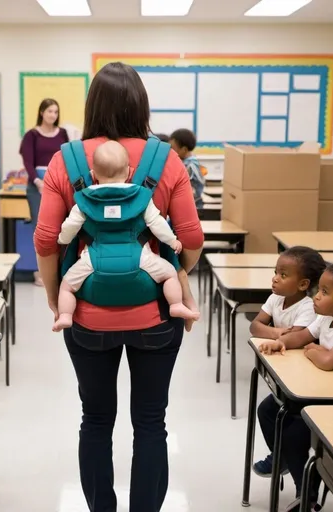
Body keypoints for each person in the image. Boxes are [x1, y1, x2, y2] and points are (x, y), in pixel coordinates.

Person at [34, 62, 203, 512]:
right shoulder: (165, 158)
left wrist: (57, 296)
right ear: (141, 105)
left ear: (92, 105)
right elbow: (191, 238)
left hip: (87, 317)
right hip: (155, 315)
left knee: (95, 420)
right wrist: (176, 274)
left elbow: (47, 239)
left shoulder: (65, 160)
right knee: (151, 422)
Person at [258, 262, 333, 512]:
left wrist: (314, 351)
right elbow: (302, 336)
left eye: (324, 292)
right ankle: (288, 461)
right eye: (318, 289)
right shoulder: (326, 318)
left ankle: (306, 493)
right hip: (326, 392)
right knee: (267, 410)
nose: (316, 296)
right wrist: (282, 342)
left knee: (294, 432)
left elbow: (329, 361)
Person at [54, 140, 200, 332]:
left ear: (93, 174)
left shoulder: (85, 199)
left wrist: (62, 240)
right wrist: (172, 241)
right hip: (140, 258)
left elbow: (70, 227)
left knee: (66, 286)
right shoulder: (140, 197)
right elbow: (157, 223)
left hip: (93, 261)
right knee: (169, 274)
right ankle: (175, 305)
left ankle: (65, 315)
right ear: (129, 172)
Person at [250, 247, 326, 479]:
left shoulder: (307, 307)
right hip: (288, 370)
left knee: (291, 429)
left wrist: (274, 333)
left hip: (304, 378)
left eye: (283, 275)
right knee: (265, 410)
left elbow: (297, 336)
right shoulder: (275, 298)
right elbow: (255, 326)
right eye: (276, 272)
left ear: (303, 285)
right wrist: (280, 333)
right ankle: (281, 456)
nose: (274, 278)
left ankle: (290, 464)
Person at [20, 98, 69, 286]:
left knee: (62, 228)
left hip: (58, 185)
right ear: (42, 112)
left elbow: (66, 159)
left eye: (56, 112)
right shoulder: (32, 135)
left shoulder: (63, 134)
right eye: (49, 111)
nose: (53, 115)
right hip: (36, 186)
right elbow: (28, 162)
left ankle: (59, 269)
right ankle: (40, 271)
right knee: (40, 229)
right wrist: (38, 181)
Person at [169, 129, 207, 208]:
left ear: (184, 150)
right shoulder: (190, 161)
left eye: (172, 148)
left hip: (194, 205)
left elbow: (177, 183)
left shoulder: (189, 165)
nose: (170, 151)